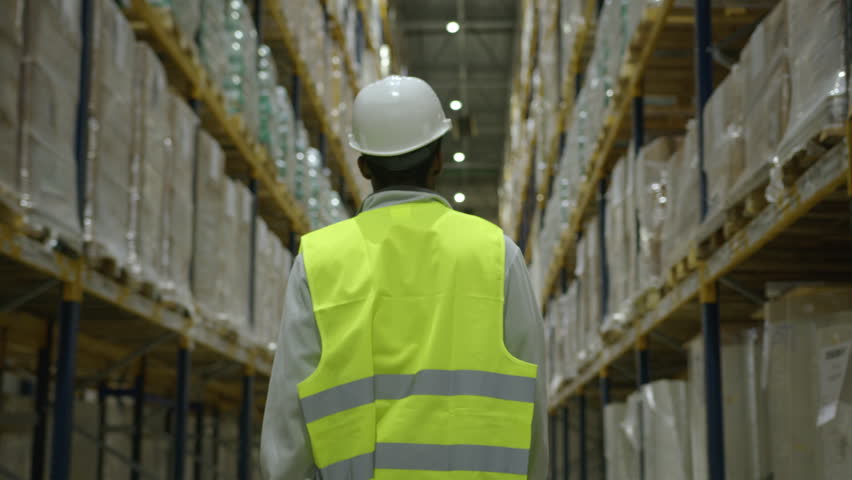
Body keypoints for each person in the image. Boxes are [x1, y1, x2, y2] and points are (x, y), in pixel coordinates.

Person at [260, 76, 548, 480]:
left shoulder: (320, 261)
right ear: (439, 159)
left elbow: (288, 422)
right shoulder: (497, 255)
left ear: (362, 165)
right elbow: (531, 406)